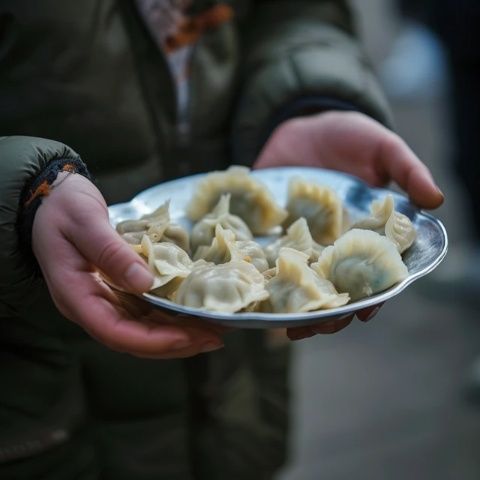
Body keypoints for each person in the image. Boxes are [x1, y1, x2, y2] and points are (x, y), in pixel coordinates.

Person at [0, 1, 443, 479]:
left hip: (237, 395)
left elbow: (299, 11)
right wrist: (20, 195)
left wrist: (306, 95)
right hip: (37, 400)